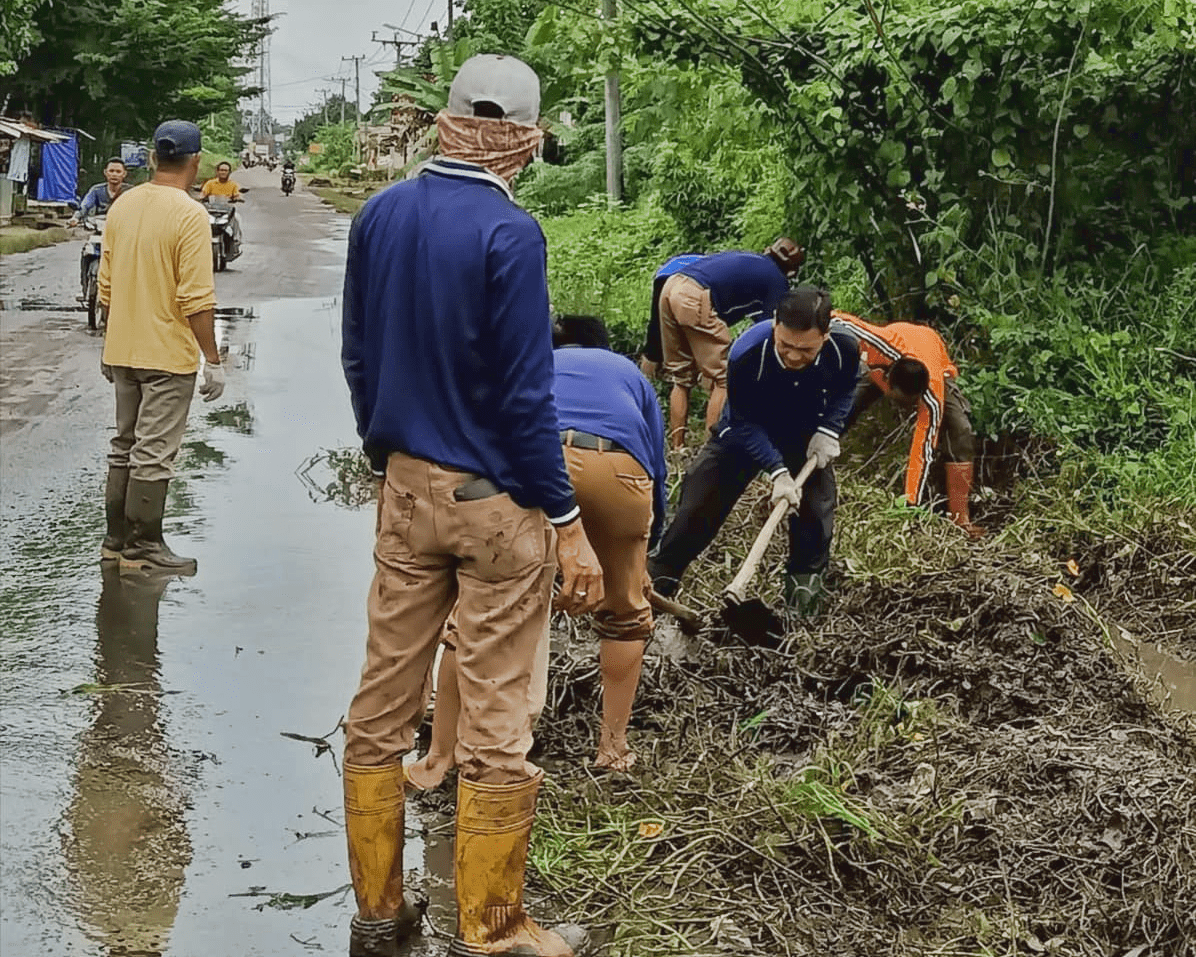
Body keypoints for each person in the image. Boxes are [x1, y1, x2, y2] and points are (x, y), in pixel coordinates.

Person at [339, 54, 604, 957]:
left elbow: (358, 354)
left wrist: (386, 454)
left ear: (448, 121)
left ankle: (379, 915)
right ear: (522, 139)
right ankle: (493, 929)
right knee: (496, 711)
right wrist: (566, 521)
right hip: (496, 507)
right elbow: (527, 399)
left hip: (407, 488)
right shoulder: (511, 233)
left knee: (382, 702)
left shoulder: (380, 214)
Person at [410, 315, 668, 787]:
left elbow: (484, 440)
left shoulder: (528, 364)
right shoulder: (629, 374)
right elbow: (656, 466)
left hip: (532, 466)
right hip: (615, 469)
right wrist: (640, 555)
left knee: (475, 616)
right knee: (626, 616)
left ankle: (439, 756)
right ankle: (612, 750)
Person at [649, 287, 859, 614]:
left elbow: (846, 389)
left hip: (803, 436)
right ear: (775, 325)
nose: (793, 356)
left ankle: (801, 610)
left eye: (805, 349)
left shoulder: (844, 349)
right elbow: (743, 421)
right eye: (785, 345)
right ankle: (650, 594)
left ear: (825, 335)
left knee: (815, 515)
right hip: (743, 431)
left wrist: (828, 429)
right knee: (697, 508)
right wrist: (777, 472)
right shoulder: (747, 353)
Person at [97, 120, 226, 576]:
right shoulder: (190, 215)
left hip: (123, 348)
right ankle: (143, 547)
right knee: (153, 452)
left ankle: (115, 542)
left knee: (124, 446)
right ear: (196, 161)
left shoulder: (124, 205)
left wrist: (110, 340)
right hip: (166, 357)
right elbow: (196, 299)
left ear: (153, 158)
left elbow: (105, 285)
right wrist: (213, 359)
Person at [832, 311, 986, 536]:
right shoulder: (879, 343)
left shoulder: (931, 396)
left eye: (910, 402)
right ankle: (810, 453)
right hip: (890, 355)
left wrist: (911, 504)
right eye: (900, 400)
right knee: (844, 408)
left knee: (960, 429)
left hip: (932, 359)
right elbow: (842, 319)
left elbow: (922, 449)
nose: (904, 407)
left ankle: (960, 519)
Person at [659, 238, 805, 450]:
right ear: (791, 270)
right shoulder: (776, 279)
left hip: (671, 286)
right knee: (725, 378)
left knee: (681, 379)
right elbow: (768, 330)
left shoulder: (751, 260)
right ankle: (711, 449)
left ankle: (677, 448)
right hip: (695, 296)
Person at [69, 157, 131, 226]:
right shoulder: (96, 189)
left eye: (118, 172)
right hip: (100, 223)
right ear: (105, 172)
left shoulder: (131, 191)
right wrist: (75, 218)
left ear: (124, 174)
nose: (114, 174)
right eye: (111, 171)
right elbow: (85, 206)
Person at [199, 160, 243, 255]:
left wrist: (237, 198)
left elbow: (237, 195)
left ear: (229, 172)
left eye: (225, 170)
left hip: (226, 211)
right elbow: (203, 194)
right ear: (217, 171)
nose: (223, 172)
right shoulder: (210, 183)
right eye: (221, 170)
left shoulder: (233, 184)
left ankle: (236, 242)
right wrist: (201, 198)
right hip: (211, 211)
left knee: (237, 218)